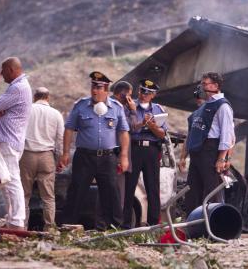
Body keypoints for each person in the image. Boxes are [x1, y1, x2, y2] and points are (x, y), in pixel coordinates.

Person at [58, 71, 130, 229]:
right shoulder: (81, 105)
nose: (94, 91)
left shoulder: (116, 108)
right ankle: (68, 226)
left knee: (111, 192)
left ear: (106, 89)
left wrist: (124, 156)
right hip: (84, 157)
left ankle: (113, 228)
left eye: (98, 87)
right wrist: (65, 153)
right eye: (93, 87)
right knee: (76, 191)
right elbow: (69, 129)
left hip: (108, 157)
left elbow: (123, 132)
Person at [0, 57, 32, 230]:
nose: (1, 73)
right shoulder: (20, 87)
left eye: (3, 70)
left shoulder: (17, 88)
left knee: (12, 180)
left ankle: (17, 220)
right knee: (7, 181)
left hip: (8, 141)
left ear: (12, 70)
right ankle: (13, 218)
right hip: (9, 140)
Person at [183, 72, 235, 215]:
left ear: (215, 86)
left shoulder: (223, 106)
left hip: (210, 151)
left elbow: (227, 135)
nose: (202, 87)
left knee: (211, 191)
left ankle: (213, 225)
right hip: (197, 153)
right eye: (202, 84)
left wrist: (221, 158)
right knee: (193, 191)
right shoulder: (204, 107)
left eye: (205, 84)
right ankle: (193, 224)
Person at [122, 79, 167, 229]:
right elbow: (128, 128)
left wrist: (152, 125)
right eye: (142, 91)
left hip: (152, 150)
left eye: (148, 93)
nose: (143, 95)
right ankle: (126, 224)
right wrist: (143, 123)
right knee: (129, 187)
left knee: (152, 187)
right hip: (134, 148)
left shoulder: (158, 109)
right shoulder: (129, 106)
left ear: (153, 95)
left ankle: (154, 225)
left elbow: (162, 134)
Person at [20, 87, 64, 230]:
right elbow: (60, 139)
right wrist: (59, 160)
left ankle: (22, 225)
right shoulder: (56, 114)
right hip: (46, 157)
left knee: (24, 194)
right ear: (48, 97)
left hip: (27, 156)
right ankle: (50, 227)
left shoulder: (27, 111)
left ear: (34, 97)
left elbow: (18, 133)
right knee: (48, 196)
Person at [110, 81, 140, 207]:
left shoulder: (120, 107)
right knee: (117, 193)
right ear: (123, 94)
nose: (130, 99)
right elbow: (131, 128)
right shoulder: (117, 107)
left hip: (115, 154)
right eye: (129, 95)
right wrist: (133, 111)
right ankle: (114, 223)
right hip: (116, 154)